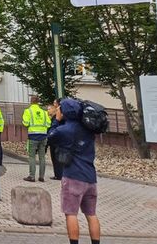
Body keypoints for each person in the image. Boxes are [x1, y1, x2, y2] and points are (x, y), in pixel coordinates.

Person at [48, 98, 101, 244]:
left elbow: (51, 136)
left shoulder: (65, 130)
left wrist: (56, 120)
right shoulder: (88, 128)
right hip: (90, 177)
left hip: (73, 177)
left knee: (71, 214)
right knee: (91, 214)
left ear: (64, 112)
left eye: (59, 109)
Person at [23, 94, 52, 182]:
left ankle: (32, 176)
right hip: (43, 137)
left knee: (32, 157)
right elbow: (48, 124)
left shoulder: (28, 111)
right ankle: (41, 177)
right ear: (38, 102)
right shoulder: (44, 112)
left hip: (33, 137)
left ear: (31, 101)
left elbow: (25, 123)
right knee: (42, 157)